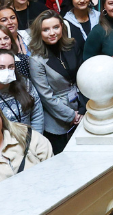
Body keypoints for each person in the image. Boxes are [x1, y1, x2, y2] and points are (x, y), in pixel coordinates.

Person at [27, 12, 83, 154]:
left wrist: (82, 109)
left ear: (62, 27)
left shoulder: (71, 45)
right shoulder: (36, 59)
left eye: (56, 27)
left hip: (80, 110)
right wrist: (71, 115)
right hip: (57, 120)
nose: (52, 33)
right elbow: (46, 96)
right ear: (39, 32)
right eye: (46, 30)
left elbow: (82, 79)